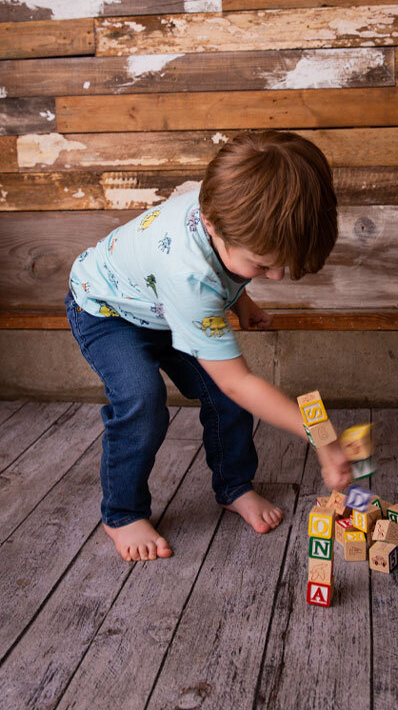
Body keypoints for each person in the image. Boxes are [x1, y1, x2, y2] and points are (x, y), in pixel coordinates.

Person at [67, 131, 350, 561]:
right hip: (108, 311)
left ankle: (233, 486)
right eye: (263, 265)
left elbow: (226, 270)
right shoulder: (188, 276)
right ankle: (122, 512)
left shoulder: (227, 200)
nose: (274, 276)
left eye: (282, 266)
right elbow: (239, 381)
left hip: (165, 306)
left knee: (221, 397)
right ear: (215, 225)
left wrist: (243, 303)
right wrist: (324, 440)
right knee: (143, 400)